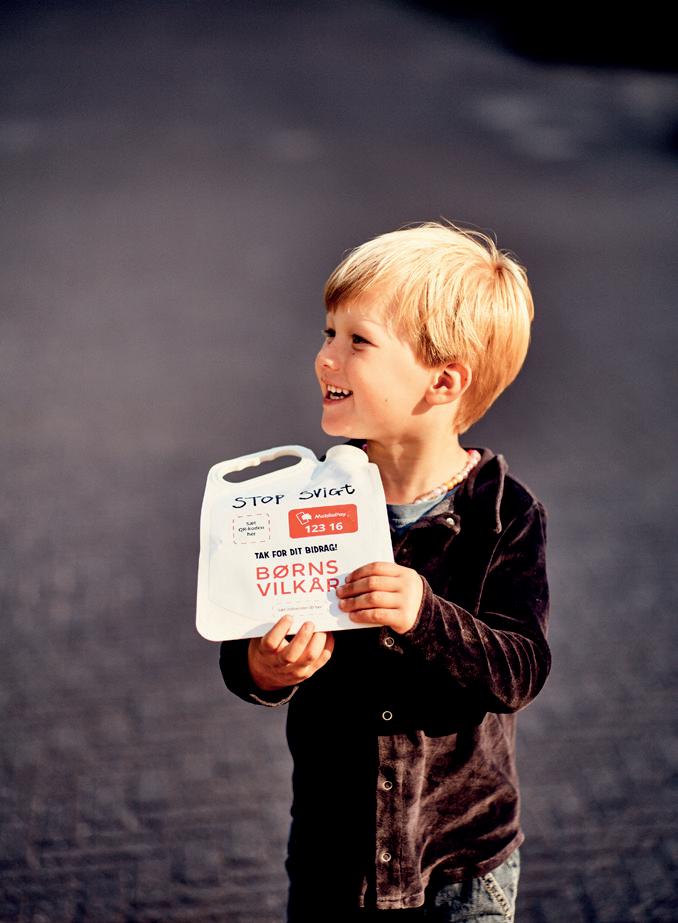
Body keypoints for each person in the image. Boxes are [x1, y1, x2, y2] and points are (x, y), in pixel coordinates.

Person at [219, 222, 551, 922]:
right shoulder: (301, 497)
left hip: (463, 866)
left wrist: (425, 616)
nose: (325, 357)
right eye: (328, 333)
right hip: (334, 855)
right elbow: (244, 636)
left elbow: (520, 670)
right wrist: (264, 669)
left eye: (357, 341)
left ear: (444, 380)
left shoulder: (504, 514)